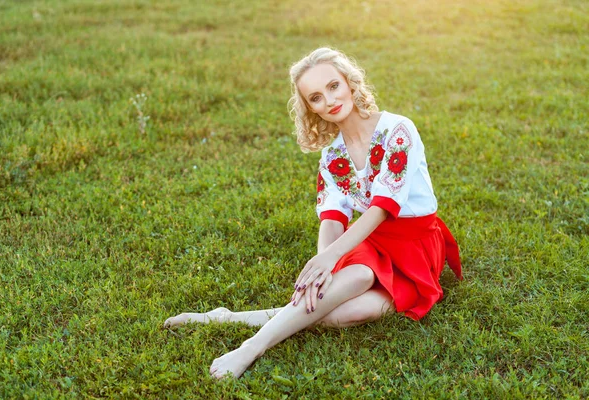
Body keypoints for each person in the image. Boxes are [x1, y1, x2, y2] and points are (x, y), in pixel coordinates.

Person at [163, 47, 462, 379]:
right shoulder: (332, 155)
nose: (330, 100)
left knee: (349, 313)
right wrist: (326, 268)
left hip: (413, 245)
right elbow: (332, 216)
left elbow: (382, 208)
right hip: (366, 241)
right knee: (357, 278)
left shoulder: (398, 130)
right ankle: (251, 347)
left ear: (350, 82)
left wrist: (328, 259)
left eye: (334, 86)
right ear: (311, 108)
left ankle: (228, 317)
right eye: (316, 98)